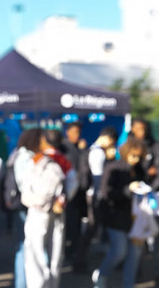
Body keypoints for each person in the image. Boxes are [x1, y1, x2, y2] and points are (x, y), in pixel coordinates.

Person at [92, 139, 148, 288]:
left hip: (136, 219)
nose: (135, 159)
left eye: (138, 156)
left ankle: (128, 285)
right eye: (133, 155)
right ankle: (101, 276)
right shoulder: (113, 168)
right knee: (119, 252)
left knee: (134, 255)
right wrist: (127, 189)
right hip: (116, 218)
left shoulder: (139, 170)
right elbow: (107, 193)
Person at [20, 128, 70, 288]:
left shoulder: (50, 165)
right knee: (39, 258)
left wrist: (49, 201)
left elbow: (42, 194)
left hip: (45, 215)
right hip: (40, 214)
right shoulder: (33, 163)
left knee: (46, 258)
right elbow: (26, 195)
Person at [130, 117, 159, 285]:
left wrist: (149, 188)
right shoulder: (130, 146)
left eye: (144, 129)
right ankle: (134, 271)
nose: (142, 132)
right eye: (138, 129)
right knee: (137, 237)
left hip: (153, 199)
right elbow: (129, 172)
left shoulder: (156, 146)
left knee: (157, 236)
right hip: (136, 200)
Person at [76, 126, 119, 268]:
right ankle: (80, 260)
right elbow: (99, 178)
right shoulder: (98, 153)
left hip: (93, 193)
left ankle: (81, 259)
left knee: (92, 228)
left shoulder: (93, 150)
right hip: (96, 195)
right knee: (91, 228)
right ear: (109, 138)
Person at [4, 129, 41, 288]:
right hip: (25, 205)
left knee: (24, 244)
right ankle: (21, 283)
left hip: (21, 204)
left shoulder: (17, 154)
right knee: (25, 245)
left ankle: (21, 282)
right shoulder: (26, 157)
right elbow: (25, 183)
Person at [61, 122, 92, 272]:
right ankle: (71, 255)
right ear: (67, 132)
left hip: (79, 195)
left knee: (76, 228)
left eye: (78, 132)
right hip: (68, 196)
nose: (77, 135)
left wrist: (83, 151)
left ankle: (74, 255)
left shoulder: (79, 149)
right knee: (70, 228)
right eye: (74, 132)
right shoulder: (64, 148)